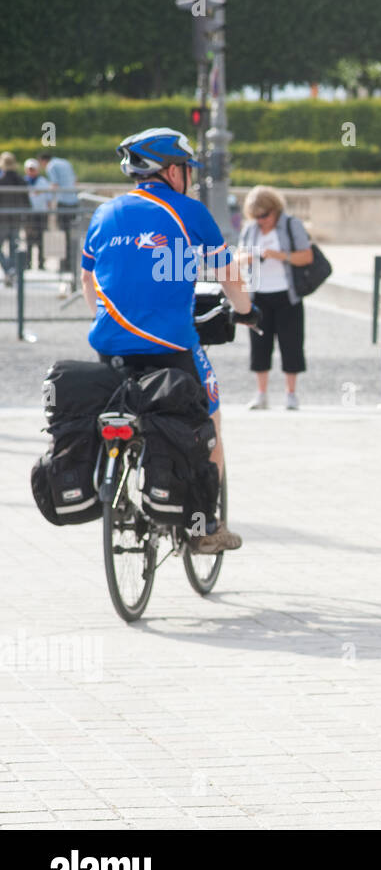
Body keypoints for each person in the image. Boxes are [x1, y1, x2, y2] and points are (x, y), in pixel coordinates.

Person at [79, 127, 259, 553]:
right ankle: (205, 527)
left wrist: (110, 324)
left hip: (108, 346)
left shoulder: (104, 214)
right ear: (172, 171)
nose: (189, 178)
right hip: (172, 349)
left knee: (125, 411)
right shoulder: (190, 212)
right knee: (208, 415)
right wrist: (248, 312)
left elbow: (88, 280)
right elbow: (227, 274)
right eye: (187, 169)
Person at [237, 185, 312, 410]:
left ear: (274, 209)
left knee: (291, 345)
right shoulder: (251, 230)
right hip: (258, 294)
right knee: (259, 346)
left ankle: (291, 393)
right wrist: (250, 257)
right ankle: (261, 393)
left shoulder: (291, 225)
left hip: (287, 295)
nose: (262, 220)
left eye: (265, 215)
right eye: (257, 217)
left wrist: (279, 255)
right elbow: (237, 256)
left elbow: (306, 256)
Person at [39, 152, 79, 272]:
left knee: (63, 234)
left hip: (63, 202)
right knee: (73, 234)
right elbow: (75, 180)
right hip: (74, 201)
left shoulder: (51, 166)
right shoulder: (65, 162)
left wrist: (49, 200)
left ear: (43, 161)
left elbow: (54, 185)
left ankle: (64, 265)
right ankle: (72, 264)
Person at [0, 152, 24, 285]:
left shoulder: (2, 180)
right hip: (16, 219)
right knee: (14, 247)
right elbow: (26, 200)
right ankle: (11, 269)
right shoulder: (21, 180)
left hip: (2, 219)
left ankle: (7, 269)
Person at [23, 158, 51, 271]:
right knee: (29, 239)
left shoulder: (43, 181)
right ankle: (28, 262)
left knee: (41, 239)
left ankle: (41, 263)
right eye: (29, 169)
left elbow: (48, 198)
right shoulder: (24, 181)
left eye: (33, 169)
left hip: (41, 213)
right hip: (29, 214)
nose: (31, 171)